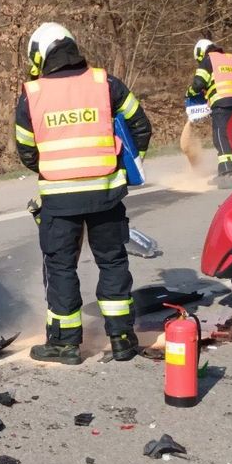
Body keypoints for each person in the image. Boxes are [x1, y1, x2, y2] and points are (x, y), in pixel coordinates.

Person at [14, 22, 152, 365]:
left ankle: (65, 345)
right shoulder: (105, 83)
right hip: (106, 194)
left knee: (61, 268)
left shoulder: (31, 95)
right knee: (113, 262)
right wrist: (123, 166)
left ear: (39, 56)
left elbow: (27, 151)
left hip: (59, 200)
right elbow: (141, 127)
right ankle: (121, 339)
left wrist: (56, 170)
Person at [187, 38, 232, 184]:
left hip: (220, 103)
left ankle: (228, 174)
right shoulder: (229, 59)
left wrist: (190, 92)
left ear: (201, 52)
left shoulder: (208, 60)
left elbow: (198, 84)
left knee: (220, 137)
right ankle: (225, 172)